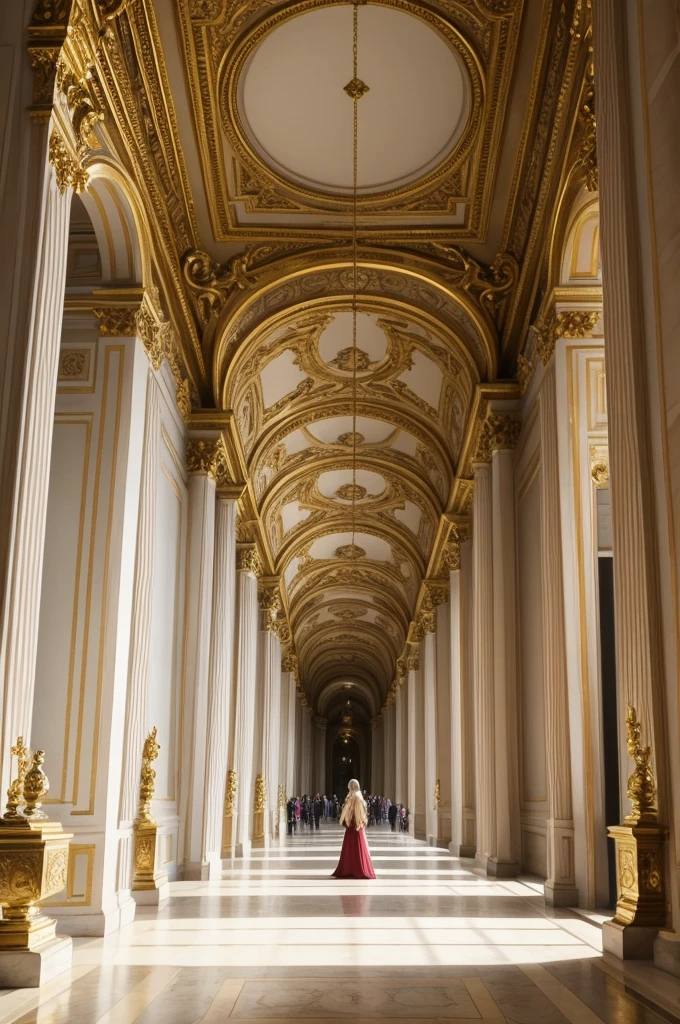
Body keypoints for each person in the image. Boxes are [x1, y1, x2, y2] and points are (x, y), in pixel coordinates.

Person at [331, 779, 376, 879]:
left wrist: (346, 820)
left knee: (351, 847)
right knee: (355, 847)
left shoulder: (354, 798)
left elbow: (355, 812)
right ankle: (353, 868)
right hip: (355, 826)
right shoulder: (356, 798)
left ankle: (352, 868)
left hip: (354, 826)